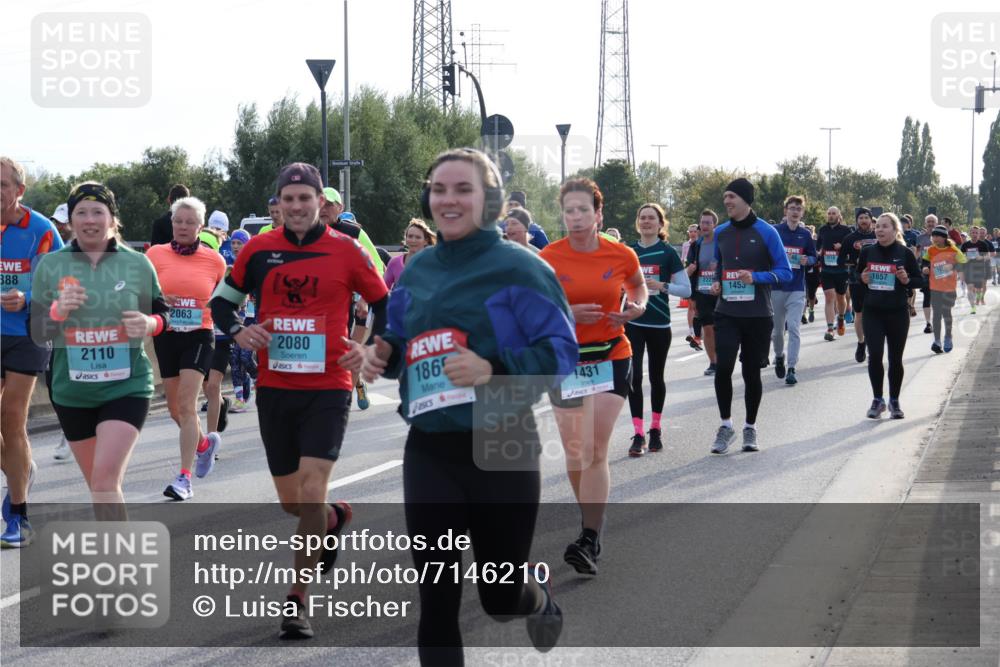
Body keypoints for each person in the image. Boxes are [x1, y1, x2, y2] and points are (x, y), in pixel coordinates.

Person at [359, 148, 574, 664]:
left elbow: (562, 353)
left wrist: (492, 368)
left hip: (502, 441)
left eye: (463, 190)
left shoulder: (520, 267)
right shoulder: (418, 269)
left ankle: (535, 594)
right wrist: (380, 355)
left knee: (500, 599)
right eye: (439, 189)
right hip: (431, 446)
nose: (448, 200)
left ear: (490, 200)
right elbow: (399, 337)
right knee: (437, 601)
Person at [211, 162, 390, 641]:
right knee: (295, 504)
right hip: (276, 388)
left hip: (330, 387)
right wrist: (238, 330)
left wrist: (371, 348)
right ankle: (334, 518)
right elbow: (221, 303)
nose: (295, 207)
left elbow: (386, 302)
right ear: (279, 204)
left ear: (320, 204)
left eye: (304, 199)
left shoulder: (347, 251)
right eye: (287, 200)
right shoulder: (258, 249)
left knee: (310, 491)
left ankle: (296, 599)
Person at [30, 182, 170, 523]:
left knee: (105, 480)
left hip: (127, 386)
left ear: (112, 219)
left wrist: (150, 324)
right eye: (81, 212)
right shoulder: (51, 265)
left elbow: (162, 313)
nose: (89, 220)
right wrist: (57, 312)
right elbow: (38, 332)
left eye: (98, 212)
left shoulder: (137, 264)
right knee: (101, 484)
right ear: (70, 220)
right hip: (71, 390)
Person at [540, 177, 647, 576]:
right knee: (574, 451)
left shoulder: (621, 254)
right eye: (569, 210)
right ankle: (592, 524)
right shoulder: (549, 256)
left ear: (599, 214)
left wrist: (636, 306)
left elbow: (638, 289)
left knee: (595, 446)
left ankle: (588, 536)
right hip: (565, 359)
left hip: (610, 354)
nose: (576, 216)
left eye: (584, 209)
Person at [0, 156, 64, 547]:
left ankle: (19, 515)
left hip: (29, 331)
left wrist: (26, 296)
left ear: (19, 191)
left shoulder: (41, 229)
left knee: (11, 419)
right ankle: (19, 468)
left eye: (2, 185)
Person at [146, 197, 227, 500]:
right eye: (178, 221)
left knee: (186, 403)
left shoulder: (214, 261)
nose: (182, 226)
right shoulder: (155, 254)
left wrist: (217, 305)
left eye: (189, 222)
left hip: (199, 335)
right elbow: (141, 291)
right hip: (166, 335)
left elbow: (228, 298)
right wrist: (160, 300)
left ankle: (184, 478)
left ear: (200, 226)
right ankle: (204, 445)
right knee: (174, 409)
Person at [707, 178, 792, 453]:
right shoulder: (720, 232)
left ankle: (750, 427)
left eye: (731, 197)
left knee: (750, 372)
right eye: (725, 198)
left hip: (757, 314)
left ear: (745, 199)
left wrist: (755, 278)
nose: (727, 202)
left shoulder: (767, 232)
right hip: (727, 311)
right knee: (723, 368)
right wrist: (718, 283)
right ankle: (726, 425)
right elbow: (721, 267)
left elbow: (785, 272)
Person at [626, 203, 689, 456]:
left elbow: (686, 290)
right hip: (634, 323)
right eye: (642, 218)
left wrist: (662, 285)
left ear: (661, 224)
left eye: (652, 218)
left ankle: (655, 429)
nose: (647, 222)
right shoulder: (629, 252)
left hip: (659, 323)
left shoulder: (667, 253)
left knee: (655, 377)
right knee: (633, 378)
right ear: (638, 222)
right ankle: (638, 433)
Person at [857, 213, 922, 419]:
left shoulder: (905, 253)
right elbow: (856, 276)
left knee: (895, 359)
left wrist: (906, 280)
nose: (879, 230)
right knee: (875, 356)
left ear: (895, 231)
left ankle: (894, 400)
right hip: (873, 312)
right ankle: (878, 400)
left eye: (885, 227)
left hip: (897, 312)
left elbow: (920, 281)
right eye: (878, 227)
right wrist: (862, 277)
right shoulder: (867, 252)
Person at [771, 195, 817, 385]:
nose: (795, 211)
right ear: (786, 211)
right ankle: (779, 355)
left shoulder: (805, 234)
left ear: (802, 212)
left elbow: (814, 257)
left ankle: (791, 367)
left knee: (795, 328)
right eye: (792, 208)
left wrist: (809, 260)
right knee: (777, 331)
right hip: (777, 287)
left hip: (797, 288)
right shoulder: (775, 232)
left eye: (799, 209)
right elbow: (766, 254)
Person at [839, 208, 877, 363]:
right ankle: (861, 343)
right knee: (859, 313)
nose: (863, 220)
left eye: (866, 217)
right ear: (857, 220)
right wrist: (851, 266)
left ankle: (874, 344)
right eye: (860, 218)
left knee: (875, 313)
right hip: (857, 279)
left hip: (878, 279)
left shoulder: (878, 235)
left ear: (871, 220)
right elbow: (841, 260)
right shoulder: (849, 238)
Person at [922, 225, 967, 354]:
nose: (934, 238)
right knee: (936, 314)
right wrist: (924, 268)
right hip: (935, 286)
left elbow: (963, 263)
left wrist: (952, 267)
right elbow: (924, 262)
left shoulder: (953, 250)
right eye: (933, 236)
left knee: (946, 313)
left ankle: (948, 336)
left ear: (944, 237)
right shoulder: (931, 250)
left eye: (937, 236)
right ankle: (937, 341)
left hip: (949, 288)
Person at [687, 209, 720, 375]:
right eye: (703, 222)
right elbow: (689, 270)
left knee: (722, 328)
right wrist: (691, 295)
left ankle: (723, 359)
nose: (705, 226)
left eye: (708, 222)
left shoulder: (721, 243)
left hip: (721, 292)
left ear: (715, 225)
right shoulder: (696, 245)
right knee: (707, 328)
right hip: (702, 292)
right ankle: (713, 363)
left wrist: (719, 269)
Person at [226, 230, 257, 412]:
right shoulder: (230, 267)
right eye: (234, 243)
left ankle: (259, 381)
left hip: (254, 319)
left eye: (240, 243)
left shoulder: (254, 264)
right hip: (238, 319)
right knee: (234, 358)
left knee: (245, 357)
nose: (236, 246)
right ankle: (240, 399)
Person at [817, 206, 851, 341]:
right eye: (829, 213)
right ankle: (830, 328)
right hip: (826, 269)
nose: (831, 216)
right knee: (829, 297)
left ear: (839, 215)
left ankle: (841, 317)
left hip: (841, 269)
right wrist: (818, 252)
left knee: (840, 298)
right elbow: (818, 245)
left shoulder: (846, 230)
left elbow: (851, 249)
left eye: (833, 213)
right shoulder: (823, 230)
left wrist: (842, 247)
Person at [384, 219, 436, 290]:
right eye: (410, 236)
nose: (413, 240)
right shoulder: (394, 263)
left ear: (426, 241)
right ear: (406, 239)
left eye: (418, 237)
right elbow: (383, 289)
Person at [680, 224, 702, 349]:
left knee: (699, 307)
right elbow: (684, 261)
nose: (693, 233)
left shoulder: (703, 243)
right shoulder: (686, 245)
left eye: (695, 231)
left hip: (703, 278)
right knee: (691, 306)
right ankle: (692, 331)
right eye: (691, 231)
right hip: (690, 276)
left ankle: (700, 332)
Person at [960, 226, 991, 313]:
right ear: (970, 233)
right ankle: (973, 307)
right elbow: (960, 257)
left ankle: (979, 298)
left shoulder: (983, 244)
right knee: (970, 288)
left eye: (976, 233)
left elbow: (988, 256)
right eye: (973, 232)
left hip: (979, 269)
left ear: (978, 234)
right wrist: (966, 258)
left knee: (978, 289)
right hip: (968, 269)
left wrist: (981, 257)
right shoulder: (965, 245)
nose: (974, 234)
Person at [915, 217, 937, 333]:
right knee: (927, 296)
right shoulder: (920, 238)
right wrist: (913, 264)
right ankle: (928, 323)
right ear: (925, 223)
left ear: (936, 223)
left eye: (933, 222)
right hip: (925, 270)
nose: (930, 224)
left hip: (940, 270)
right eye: (928, 222)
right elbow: (917, 253)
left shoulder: (943, 237)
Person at [803, 224, 821, 324]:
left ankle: (811, 310)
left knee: (811, 294)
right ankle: (803, 314)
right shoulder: (800, 242)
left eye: (809, 232)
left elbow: (820, 255)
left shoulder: (815, 243)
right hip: (803, 271)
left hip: (814, 271)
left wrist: (817, 258)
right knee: (803, 294)